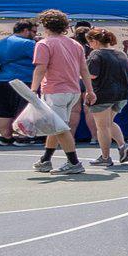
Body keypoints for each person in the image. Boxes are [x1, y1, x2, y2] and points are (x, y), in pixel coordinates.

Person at [28, 9, 94, 175]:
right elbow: (84, 69)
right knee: (56, 124)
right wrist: (90, 90)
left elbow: (40, 68)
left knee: (59, 127)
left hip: (55, 90)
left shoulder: (44, 44)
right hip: (73, 90)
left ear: (45, 25)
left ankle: (74, 162)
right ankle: (46, 159)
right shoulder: (75, 44)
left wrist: (33, 90)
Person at [85, 30, 128, 167]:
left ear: (95, 41)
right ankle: (123, 146)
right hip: (122, 94)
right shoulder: (121, 53)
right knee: (108, 123)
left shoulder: (96, 54)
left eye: (89, 42)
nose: (89, 45)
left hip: (103, 94)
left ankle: (105, 157)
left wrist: (80, 74)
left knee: (102, 127)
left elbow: (92, 75)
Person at [0, 19, 38, 147]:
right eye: (33, 32)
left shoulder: (1, 43)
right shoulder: (28, 43)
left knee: (4, 110)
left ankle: (5, 137)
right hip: (24, 80)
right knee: (24, 109)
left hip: (2, 81)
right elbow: (41, 60)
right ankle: (23, 137)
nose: (35, 35)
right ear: (25, 30)